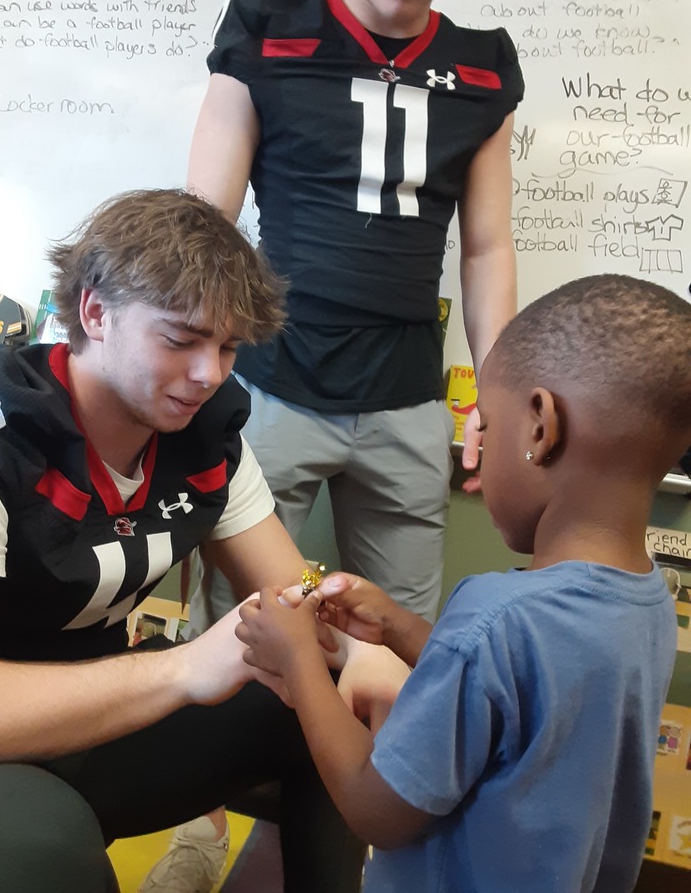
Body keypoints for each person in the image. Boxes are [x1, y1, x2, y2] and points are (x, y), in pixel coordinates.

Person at [0, 189, 368, 893]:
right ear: (96, 313)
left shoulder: (200, 430)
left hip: (93, 722)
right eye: (182, 339)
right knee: (40, 841)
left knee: (331, 696)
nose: (210, 374)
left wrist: (341, 623)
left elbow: (290, 593)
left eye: (226, 347)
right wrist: (183, 669)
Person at [237, 273, 690, 893]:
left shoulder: (495, 617)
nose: (479, 448)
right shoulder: (649, 601)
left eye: (487, 425)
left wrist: (299, 665)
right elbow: (527, 701)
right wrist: (403, 629)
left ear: (540, 426)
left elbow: (378, 810)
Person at [186, 0, 524, 634]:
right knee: (241, 626)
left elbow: (487, 248)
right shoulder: (266, 25)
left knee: (401, 635)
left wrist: (498, 392)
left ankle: (367, 760)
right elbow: (206, 224)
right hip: (276, 379)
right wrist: (192, 361)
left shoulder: (482, 68)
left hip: (407, 392)